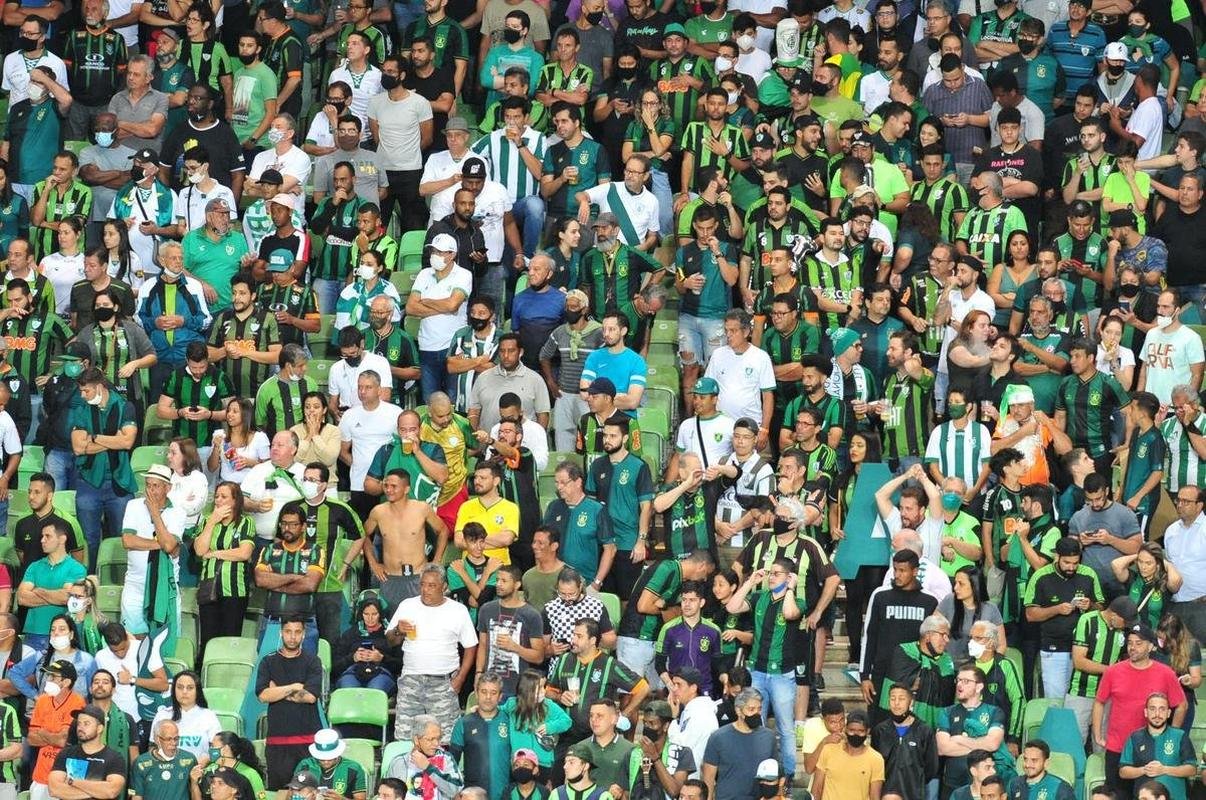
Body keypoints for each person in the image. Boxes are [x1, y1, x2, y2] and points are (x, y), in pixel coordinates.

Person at [385, 564, 478, 741]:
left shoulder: (458, 611)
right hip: (411, 679)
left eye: (431, 586)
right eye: (422, 585)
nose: (425, 590)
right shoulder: (407, 605)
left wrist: (460, 678)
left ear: (444, 587)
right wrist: (398, 630)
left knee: (443, 738)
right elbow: (390, 641)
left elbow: (471, 646)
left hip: (443, 681)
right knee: (406, 737)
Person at [1094, 625, 1188, 789]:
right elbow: (1099, 702)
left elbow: (1181, 705)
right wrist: (1097, 734)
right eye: (1130, 643)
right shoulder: (1113, 671)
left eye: (1139, 643)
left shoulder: (1166, 673)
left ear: (1151, 646)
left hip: (1154, 748)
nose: (1132, 647)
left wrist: (1171, 737)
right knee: (1116, 794)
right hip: (1118, 747)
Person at [256, 616, 324, 792]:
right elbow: (263, 695)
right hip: (277, 742)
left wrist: (277, 691)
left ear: (303, 635)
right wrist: (293, 687)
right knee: (280, 793)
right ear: (281, 633)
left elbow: (310, 697)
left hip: (308, 741)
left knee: (310, 793)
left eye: (297, 632)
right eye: (288, 631)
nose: (292, 637)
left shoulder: (312, 661)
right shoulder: (268, 662)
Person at [119, 463, 185, 639]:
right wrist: (161, 543)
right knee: (133, 641)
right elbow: (128, 540)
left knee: (164, 643)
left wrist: (155, 513)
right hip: (135, 585)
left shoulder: (178, 512)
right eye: (148, 485)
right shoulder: (133, 505)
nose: (150, 490)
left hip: (165, 587)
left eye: (155, 486)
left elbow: (171, 546)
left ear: (168, 488)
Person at [936, 665, 1014, 796]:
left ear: (979, 687)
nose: (960, 685)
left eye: (966, 681)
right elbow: (943, 748)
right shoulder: (946, 712)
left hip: (985, 787)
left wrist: (960, 739)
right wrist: (981, 747)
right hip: (952, 784)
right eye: (958, 680)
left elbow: (993, 744)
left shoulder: (994, 711)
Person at [17, 521, 89, 651]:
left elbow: (66, 597)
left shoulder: (77, 568)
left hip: (61, 635)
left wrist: (38, 591)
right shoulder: (34, 566)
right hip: (33, 633)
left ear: (62, 539)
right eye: (42, 536)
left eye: (47, 536)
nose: (42, 540)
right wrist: (55, 596)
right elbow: (22, 598)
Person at [700, 687, 775, 800]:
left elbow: (777, 774)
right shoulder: (718, 737)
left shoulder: (769, 737)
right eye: (751, 709)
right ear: (738, 710)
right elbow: (708, 780)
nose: (756, 713)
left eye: (759, 709)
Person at [1118, 692, 1197, 799]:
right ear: (1146, 712)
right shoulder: (1134, 737)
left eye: (1162, 709)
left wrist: (1164, 769)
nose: (1157, 714)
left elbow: (1192, 769)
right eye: (1152, 709)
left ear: (1169, 713)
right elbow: (1123, 771)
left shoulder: (1180, 735)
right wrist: (1144, 770)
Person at [28, 659, 86, 800]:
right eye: (48, 676)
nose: (48, 680)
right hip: (41, 775)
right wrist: (54, 736)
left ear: (66, 682)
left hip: (67, 776)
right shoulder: (42, 700)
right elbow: (31, 739)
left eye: (53, 677)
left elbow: (63, 741)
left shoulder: (78, 702)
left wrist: (43, 732)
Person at [872, 684, 939, 800]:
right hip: (886, 794)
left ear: (911, 702)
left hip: (914, 794)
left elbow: (931, 768)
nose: (896, 703)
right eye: (893, 698)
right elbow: (874, 765)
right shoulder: (880, 731)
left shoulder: (924, 730)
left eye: (901, 699)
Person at [46, 704, 127, 800]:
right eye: (79, 723)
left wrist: (73, 782)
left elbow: (111, 791)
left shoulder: (115, 758)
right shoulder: (66, 754)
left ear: (100, 728)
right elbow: (54, 789)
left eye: (86, 723)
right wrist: (97, 792)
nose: (80, 728)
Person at [333, 595, 400, 694]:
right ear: (361, 614)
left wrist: (382, 658)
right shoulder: (350, 634)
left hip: (381, 672)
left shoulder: (390, 634)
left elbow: (401, 665)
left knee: (375, 691)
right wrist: (353, 658)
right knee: (348, 690)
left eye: (374, 614)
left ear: (380, 614)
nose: (370, 618)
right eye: (366, 614)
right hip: (353, 671)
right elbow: (335, 667)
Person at [811, 711, 886, 800]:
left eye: (860, 731)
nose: (856, 734)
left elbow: (874, 796)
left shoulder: (876, 759)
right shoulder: (828, 750)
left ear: (868, 731)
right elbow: (817, 789)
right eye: (852, 730)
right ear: (845, 729)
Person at [150, 671, 220, 762]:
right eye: (180, 687)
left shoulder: (209, 716)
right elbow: (152, 748)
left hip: (200, 770)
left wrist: (204, 762)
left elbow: (217, 750)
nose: (184, 692)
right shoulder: (162, 715)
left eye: (190, 688)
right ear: (174, 690)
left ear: (197, 691)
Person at [386, 716, 463, 798]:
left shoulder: (446, 759)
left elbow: (456, 790)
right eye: (431, 739)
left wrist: (428, 768)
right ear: (416, 740)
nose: (436, 744)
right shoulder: (399, 762)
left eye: (438, 738)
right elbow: (386, 793)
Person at [130, 719, 198, 800]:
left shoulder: (189, 759)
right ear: (157, 739)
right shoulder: (141, 762)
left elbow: (195, 790)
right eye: (168, 739)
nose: (173, 743)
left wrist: (195, 783)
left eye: (176, 738)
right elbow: (136, 795)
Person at [292, 729, 369, 800]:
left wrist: (342, 799)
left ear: (338, 753)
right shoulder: (305, 766)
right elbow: (293, 793)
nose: (326, 761)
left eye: (330, 757)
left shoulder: (354, 768)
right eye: (321, 758)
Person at [1007, 740, 1075, 800]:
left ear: (1046, 763)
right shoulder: (1014, 784)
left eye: (1034, 760)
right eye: (1025, 759)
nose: (1027, 765)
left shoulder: (1060, 788)